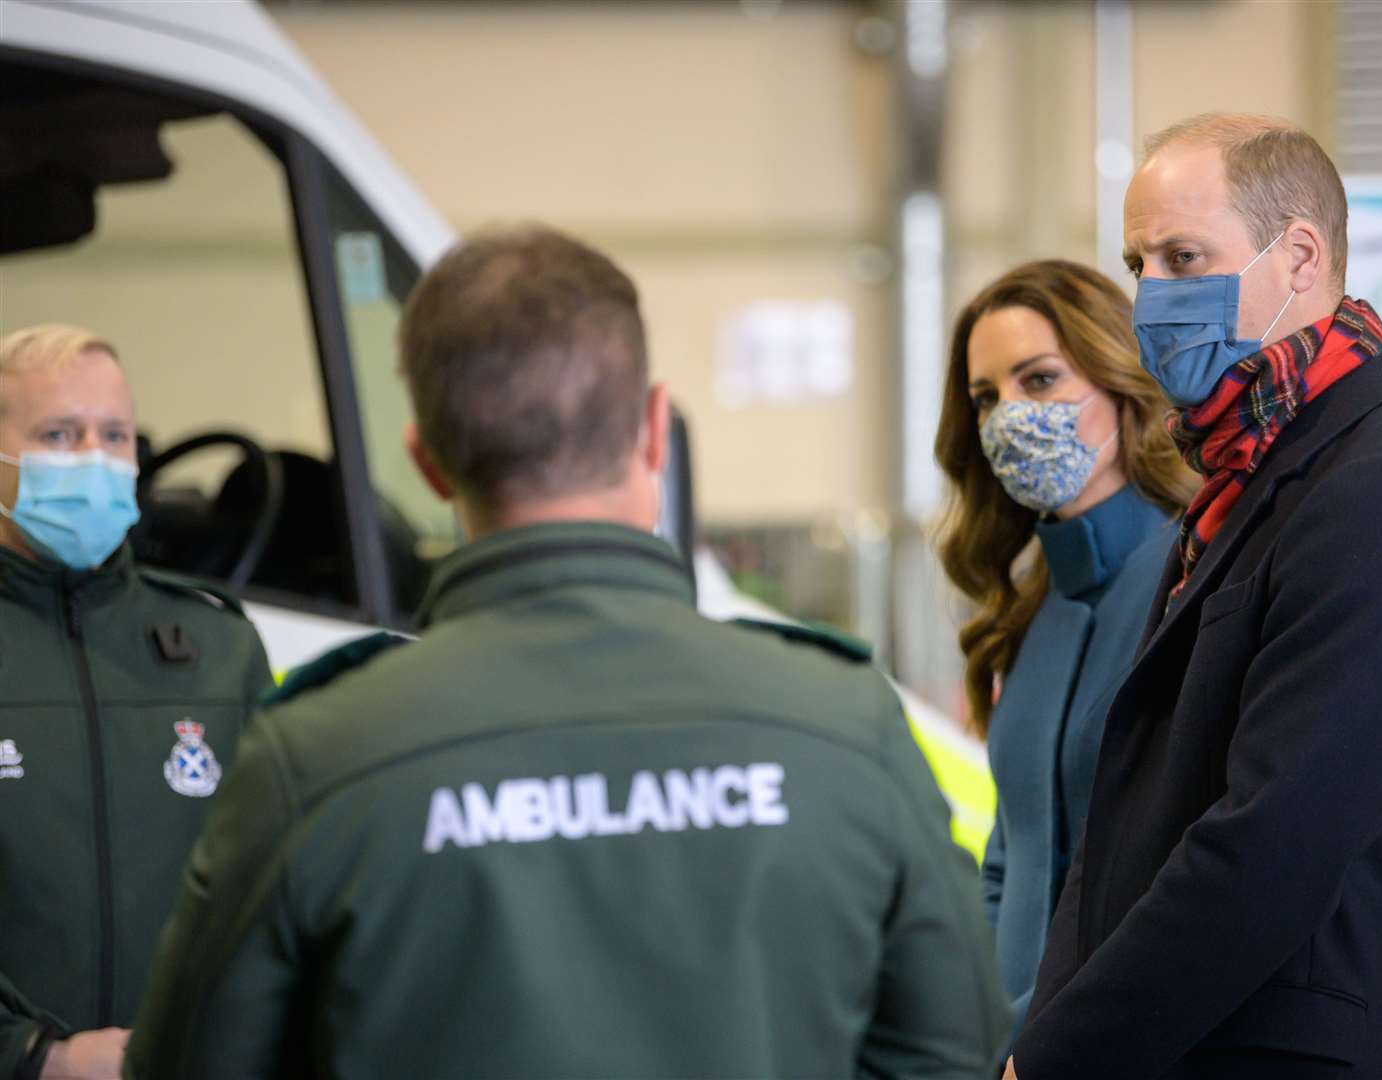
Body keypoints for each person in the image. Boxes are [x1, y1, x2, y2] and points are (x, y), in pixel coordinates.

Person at [125, 225, 1009, 1080]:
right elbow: (952, 1051)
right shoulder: (841, 720)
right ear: (659, 428)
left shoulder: (313, 757)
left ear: (427, 461)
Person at [1009, 113, 1382, 1079]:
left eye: (1184, 256)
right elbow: (1130, 825)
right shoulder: (1233, 496)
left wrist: (1061, 1058)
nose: (1151, 293)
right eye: (1139, 261)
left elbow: (1275, 843)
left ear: (1301, 257)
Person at [0, 325, 273, 1080]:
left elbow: (278, 889)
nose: (93, 457)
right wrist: (39, 1059)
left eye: (113, 435)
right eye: (59, 433)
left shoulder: (222, 650)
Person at [933, 260, 1194, 1032]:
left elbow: (1180, 884)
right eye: (987, 397)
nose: (1009, 415)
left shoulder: (1193, 583)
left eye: (1039, 380)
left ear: (1120, 379)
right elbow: (1008, 860)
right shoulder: (1029, 612)